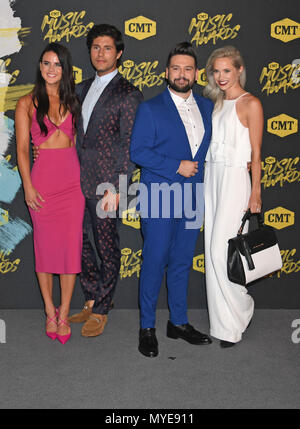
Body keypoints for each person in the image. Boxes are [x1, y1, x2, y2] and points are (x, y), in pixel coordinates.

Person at [130, 42, 214, 358]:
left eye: (188, 68)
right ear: (166, 72)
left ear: (196, 73)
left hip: (193, 196)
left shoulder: (208, 107)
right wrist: (175, 165)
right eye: (176, 68)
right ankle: (147, 327)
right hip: (160, 195)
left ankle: (178, 322)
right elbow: (138, 151)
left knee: (181, 261)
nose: (182, 74)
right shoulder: (150, 108)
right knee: (154, 260)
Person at [68, 24, 143, 337]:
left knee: (107, 246)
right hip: (75, 182)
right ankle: (91, 298)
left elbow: (130, 145)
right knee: (80, 243)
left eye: (107, 48)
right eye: (95, 47)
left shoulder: (129, 93)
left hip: (106, 187)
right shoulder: (80, 89)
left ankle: (102, 308)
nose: (100, 53)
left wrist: (119, 188)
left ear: (119, 53)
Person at [16, 43, 84, 344]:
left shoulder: (73, 100)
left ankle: (65, 311)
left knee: (70, 251)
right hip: (42, 184)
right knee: (44, 251)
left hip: (72, 184)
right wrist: (28, 185)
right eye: (46, 63)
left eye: (57, 64)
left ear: (64, 69)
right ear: (40, 66)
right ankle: (49, 310)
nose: (51, 69)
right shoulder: (26, 102)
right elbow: (20, 149)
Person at [203, 45, 263, 348]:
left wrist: (256, 192)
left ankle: (242, 310)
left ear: (239, 69)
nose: (221, 76)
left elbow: (256, 155)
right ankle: (224, 325)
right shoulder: (214, 103)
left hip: (235, 180)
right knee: (212, 252)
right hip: (211, 178)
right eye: (216, 70)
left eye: (227, 70)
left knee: (221, 253)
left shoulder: (250, 103)